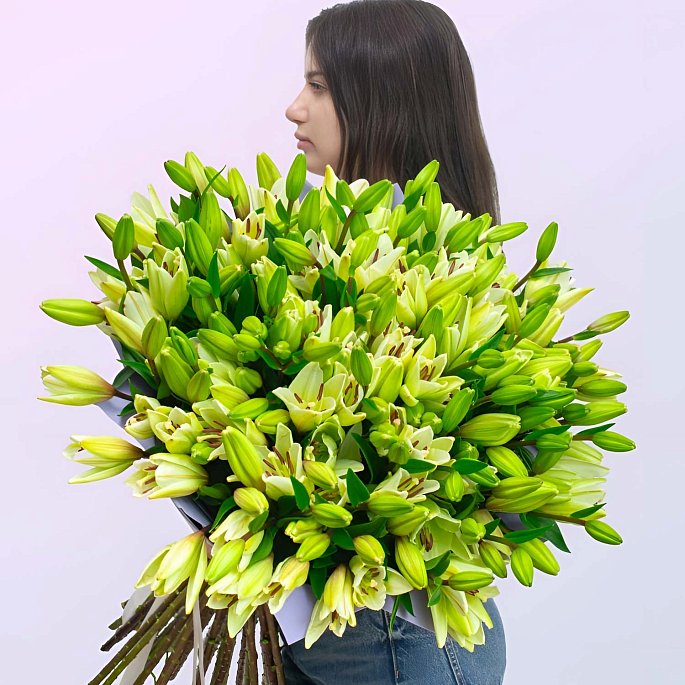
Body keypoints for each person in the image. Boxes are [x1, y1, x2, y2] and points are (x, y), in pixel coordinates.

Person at [283, 1, 506, 683]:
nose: (294, 108)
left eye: (318, 86)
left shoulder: (437, 272)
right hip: (341, 635)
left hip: (404, 643)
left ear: (384, 102)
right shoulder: (321, 243)